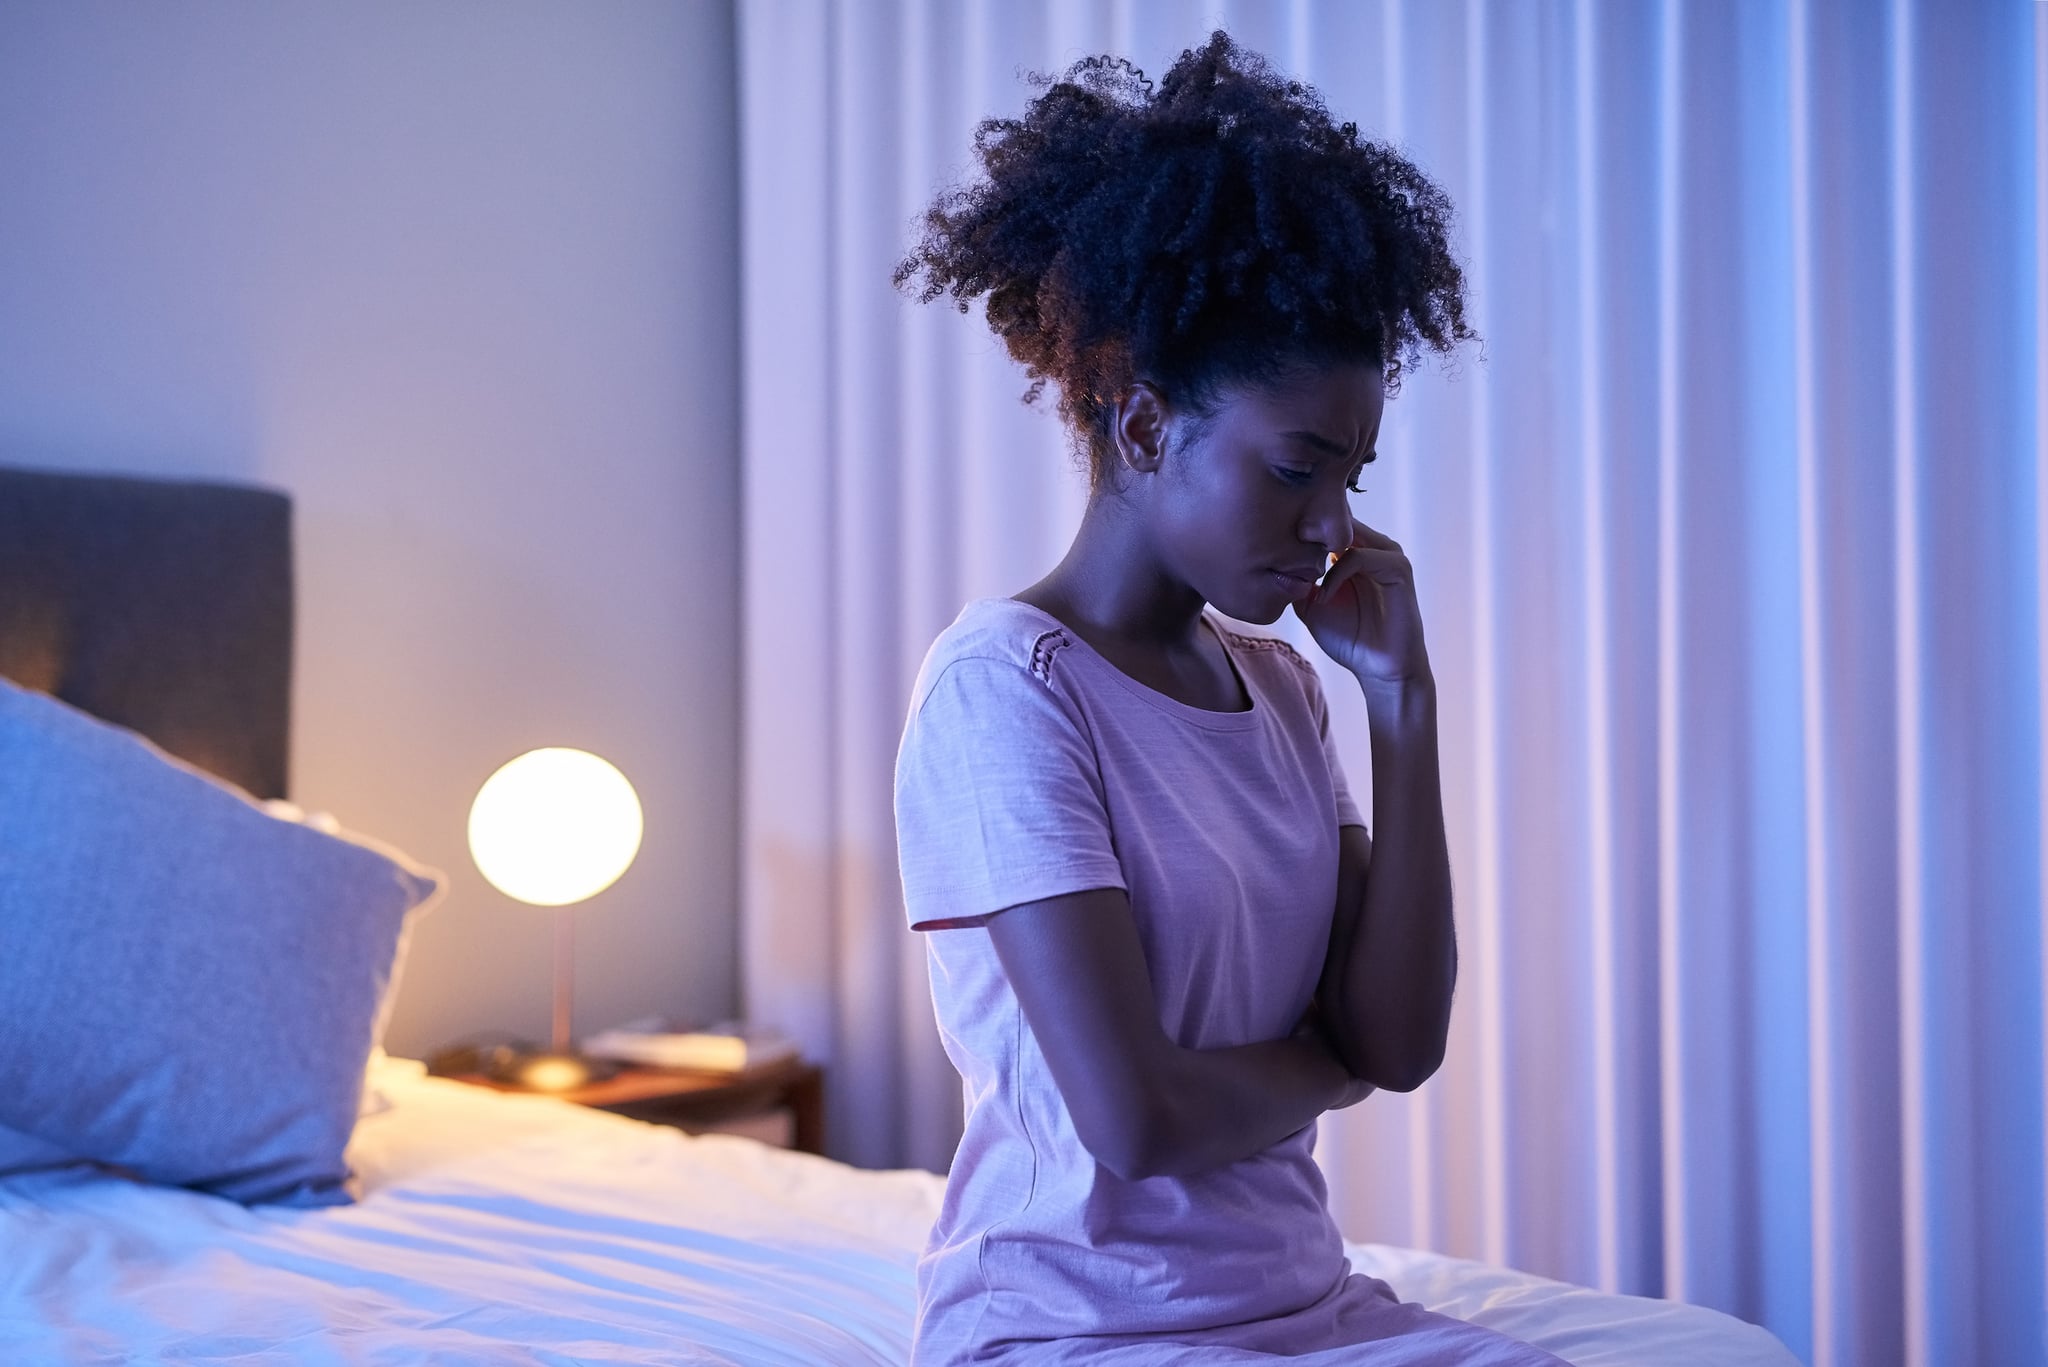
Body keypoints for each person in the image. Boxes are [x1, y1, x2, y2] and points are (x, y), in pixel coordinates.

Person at [891, 33, 1565, 1365]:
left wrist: (1403, 708)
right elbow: (1134, 1118)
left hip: (1302, 1306)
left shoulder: (1280, 690)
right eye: (1295, 468)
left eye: (1352, 479)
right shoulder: (1004, 692)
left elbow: (1403, 1032)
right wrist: (1337, 1060)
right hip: (1074, 1331)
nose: (1330, 526)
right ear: (1142, 429)